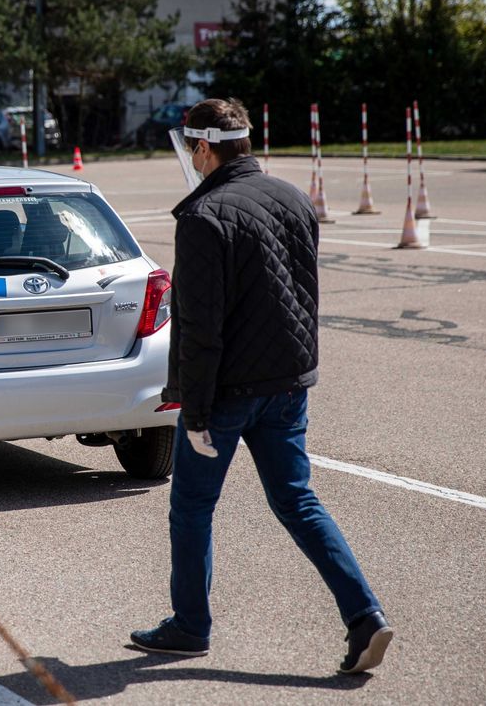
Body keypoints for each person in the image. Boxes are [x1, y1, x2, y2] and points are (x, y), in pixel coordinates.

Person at [130, 98, 392, 674]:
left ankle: (190, 626)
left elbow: (199, 328)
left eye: (190, 148)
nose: (190, 158)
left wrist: (194, 412)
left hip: (227, 393)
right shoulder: (294, 198)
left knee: (193, 507)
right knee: (298, 501)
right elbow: (301, 295)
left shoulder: (203, 218)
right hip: (287, 383)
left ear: (204, 147)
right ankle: (365, 616)